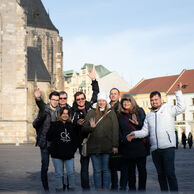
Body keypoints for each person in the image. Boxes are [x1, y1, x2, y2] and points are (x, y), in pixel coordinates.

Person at [127, 83, 185, 192]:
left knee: (170, 173)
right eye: (152, 100)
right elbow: (145, 131)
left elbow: (181, 107)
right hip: (155, 149)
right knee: (160, 175)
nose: (154, 102)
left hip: (167, 147)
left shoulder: (168, 109)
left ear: (161, 99)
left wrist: (178, 93)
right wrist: (134, 134)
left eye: (156, 99)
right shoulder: (149, 115)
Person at [82, 92, 119, 190]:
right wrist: (91, 127)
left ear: (106, 102)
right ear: (97, 102)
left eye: (103, 101)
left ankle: (106, 189)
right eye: (99, 101)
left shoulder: (111, 113)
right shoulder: (91, 112)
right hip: (94, 147)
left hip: (107, 147)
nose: (101, 103)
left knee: (106, 170)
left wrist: (115, 145)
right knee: (97, 170)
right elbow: (84, 128)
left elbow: (115, 130)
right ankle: (98, 190)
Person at [71, 68, 99, 190]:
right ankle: (86, 188)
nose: (81, 100)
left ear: (84, 98)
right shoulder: (73, 111)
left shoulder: (90, 105)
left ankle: (100, 188)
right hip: (83, 143)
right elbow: (71, 126)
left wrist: (94, 80)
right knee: (84, 167)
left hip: (96, 140)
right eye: (78, 99)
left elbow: (96, 93)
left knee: (98, 167)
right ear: (75, 101)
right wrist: (77, 123)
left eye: (82, 98)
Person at [118, 94, 148, 191]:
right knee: (131, 173)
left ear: (132, 102)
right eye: (124, 101)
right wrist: (124, 139)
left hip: (140, 146)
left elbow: (146, 128)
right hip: (127, 147)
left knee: (142, 171)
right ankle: (132, 191)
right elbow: (118, 131)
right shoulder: (119, 115)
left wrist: (138, 124)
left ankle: (142, 190)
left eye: (128, 101)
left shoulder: (140, 111)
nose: (126, 103)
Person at [33, 91, 60, 192]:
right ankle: (46, 189)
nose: (55, 102)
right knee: (45, 166)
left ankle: (60, 187)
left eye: (57, 100)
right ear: (49, 100)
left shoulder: (60, 110)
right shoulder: (45, 108)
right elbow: (40, 104)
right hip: (44, 142)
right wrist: (38, 98)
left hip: (55, 143)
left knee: (59, 167)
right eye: (53, 99)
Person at [47, 107, 77, 192]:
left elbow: (75, 140)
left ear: (69, 115)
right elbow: (49, 137)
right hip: (56, 154)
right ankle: (59, 188)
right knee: (59, 174)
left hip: (69, 154)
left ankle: (71, 188)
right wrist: (52, 150)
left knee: (71, 172)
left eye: (67, 114)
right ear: (60, 115)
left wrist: (73, 150)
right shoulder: (54, 124)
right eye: (63, 113)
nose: (65, 115)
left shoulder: (72, 125)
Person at [109, 88, 120, 191]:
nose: (113, 95)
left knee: (120, 165)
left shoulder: (120, 107)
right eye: (111, 94)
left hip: (118, 140)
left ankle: (119, 186)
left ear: (118, 95)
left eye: (115, 94)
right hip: (107, 141)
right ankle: (113, 186)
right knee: (111, 166)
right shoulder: (107, 106)